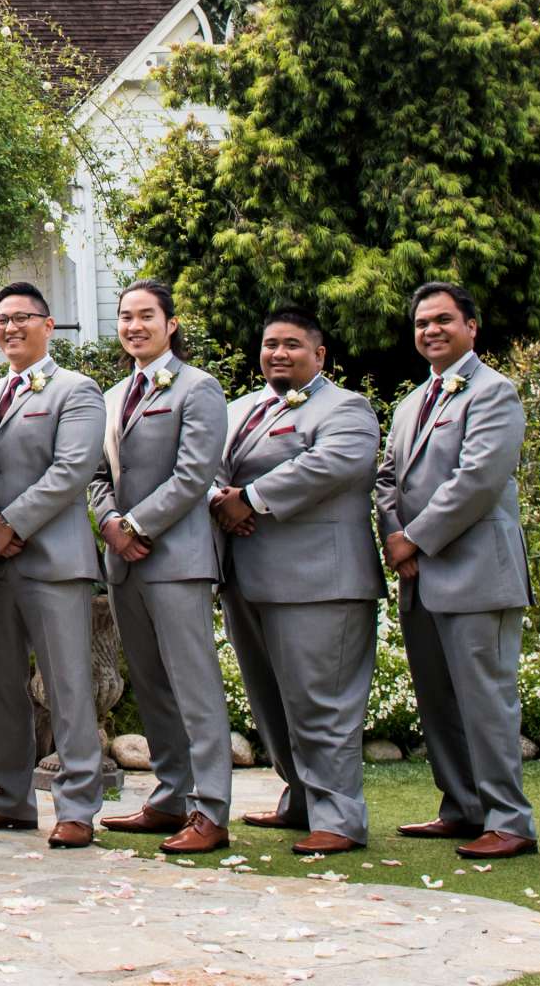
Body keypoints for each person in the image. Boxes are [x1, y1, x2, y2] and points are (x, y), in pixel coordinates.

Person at [208, 306, 383, 854]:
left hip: (320, 582)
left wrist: (251, 499)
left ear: (319, 355)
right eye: (269, 345)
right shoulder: (240, 410)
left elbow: (332, 465)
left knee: (322, 701)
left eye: (291, 345)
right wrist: (219, 497)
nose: (278, 353)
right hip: (248, 578)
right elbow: (207, 462)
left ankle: (339, 817)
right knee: (271, 700)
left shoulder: (347, 409)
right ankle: (301, 799)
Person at [375, 281, 539, 859]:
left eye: (443, 320)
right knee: (438, 701)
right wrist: (395, 535)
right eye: (422, 323)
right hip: (419, 576)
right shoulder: (409, 404)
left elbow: (477, 481)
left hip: (475, 575)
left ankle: (510, 820)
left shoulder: (494, 393)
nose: (431, 331)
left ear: (472, 326)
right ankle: (463, 808)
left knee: (486, 701)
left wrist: (413, 538)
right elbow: (386, 479)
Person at [91, 278, 232, 854]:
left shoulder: (199, 389)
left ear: (170, 324)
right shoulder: (110, 396)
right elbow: (97, 477)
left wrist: (136, 527)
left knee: (193, 686)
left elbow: (195, 474)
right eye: (126, 316)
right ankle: (172, 795)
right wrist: (107, 525)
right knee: (151, 687)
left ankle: (213, 810)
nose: (134, 326)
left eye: (146, 315)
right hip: (124, 563)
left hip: (176, 559)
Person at [0, 281, 108, 849]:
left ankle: (77, 804)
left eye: (21, 318)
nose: (9, 329)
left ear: (48, 326)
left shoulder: (77, 390)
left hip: (54, 561)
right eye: (1, 320)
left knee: (67, 685)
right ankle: (11, 798)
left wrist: (12, 524)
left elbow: (73, 468)